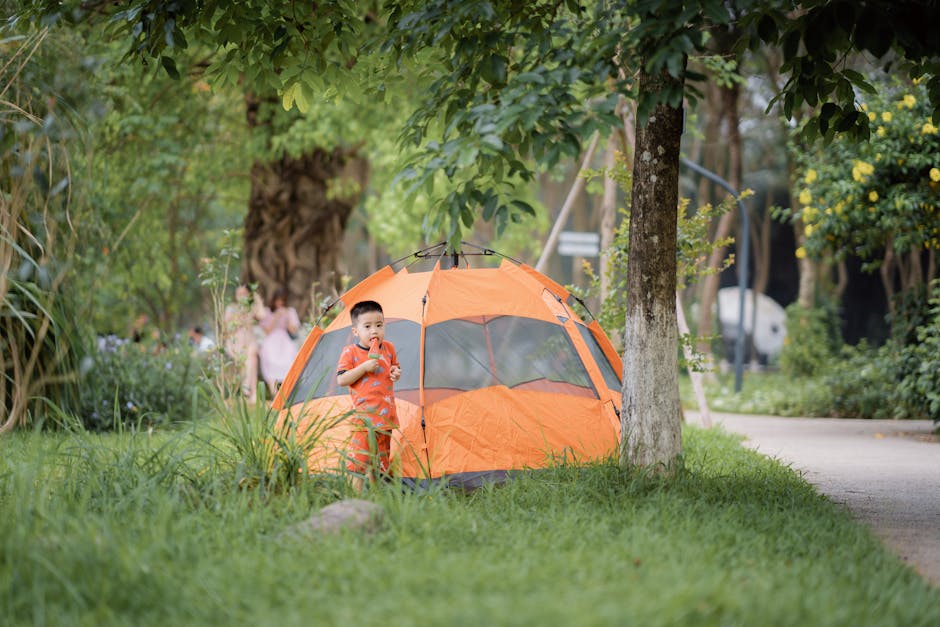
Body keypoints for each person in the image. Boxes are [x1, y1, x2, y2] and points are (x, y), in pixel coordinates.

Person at [336, 300, 402, 491]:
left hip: (385, 418)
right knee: (359, 461)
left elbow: (394, 368)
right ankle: (355, 500)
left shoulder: (388, 348)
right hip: (363, 421)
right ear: (355, 331)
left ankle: (376, 496)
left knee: (380, 464)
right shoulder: (350, 352)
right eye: (367, 326)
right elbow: (342, 379)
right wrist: (364, 367)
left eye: (379, 325)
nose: (374, 331)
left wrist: (396, 373)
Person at [257, 285, 300, 397]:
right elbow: (267, 331)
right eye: (278, 300)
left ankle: (288, 393)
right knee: (270, 360)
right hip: (271, 340)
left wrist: (287, 318)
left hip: (284, 340)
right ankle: (274, 394)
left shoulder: (290, 311)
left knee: (289, 358)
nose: (280, 303)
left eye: (282, 300)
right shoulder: (267, 311)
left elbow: (293, 330)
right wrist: (276, 317)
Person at [223, 285, 260, 402]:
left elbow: (262, 315)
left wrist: (256, 297)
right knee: (252, 360)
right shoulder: (231, 308)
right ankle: (252, 392)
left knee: (252, 354)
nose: (241, 296)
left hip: (250, 341)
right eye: (239, 293)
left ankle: (246, 388)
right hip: (235, 343)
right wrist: (240, 319)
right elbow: (227, 328)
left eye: (244, 293)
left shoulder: (252, 307)